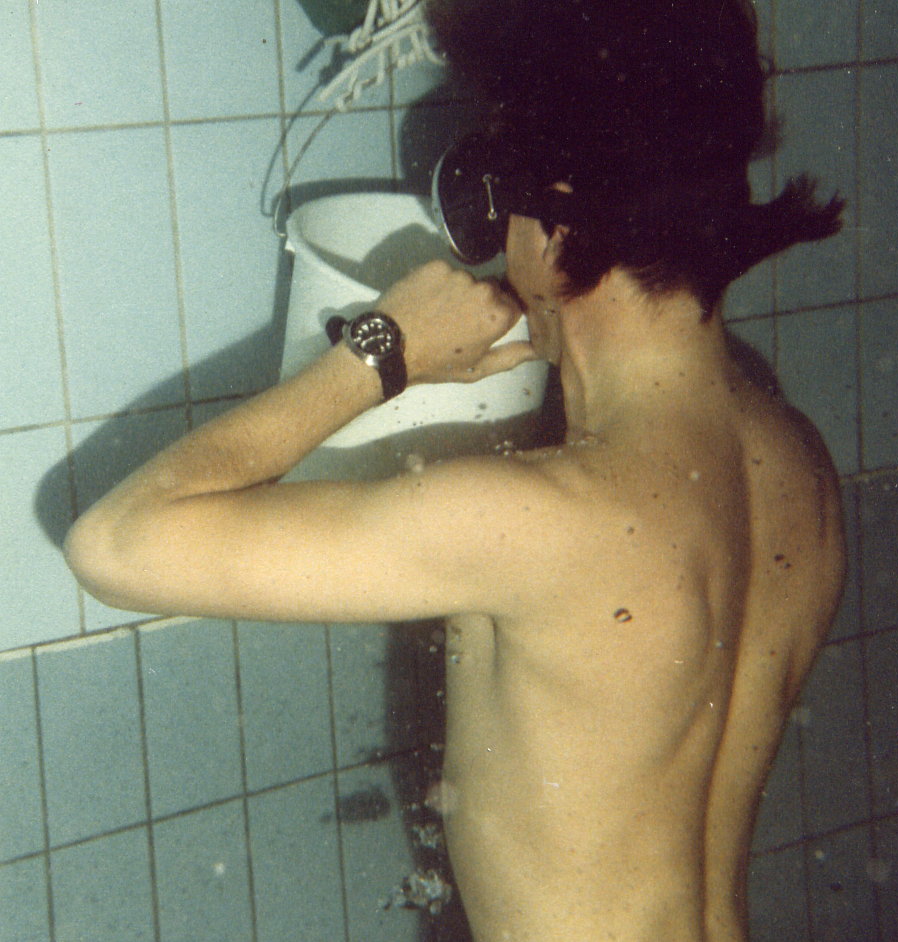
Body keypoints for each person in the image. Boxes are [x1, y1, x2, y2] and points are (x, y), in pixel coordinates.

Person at [64, 1, 847, 939]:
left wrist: (380, 351)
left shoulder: (539, 521)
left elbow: (113, 546)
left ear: (552, 227)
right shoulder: (795, 464)